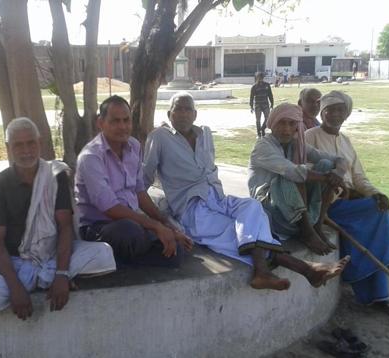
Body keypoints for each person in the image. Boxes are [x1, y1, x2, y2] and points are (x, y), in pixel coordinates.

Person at [143, 92, 350, 291]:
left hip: (218, 198)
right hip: (191, 207)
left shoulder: (204, 133)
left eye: (188, 109)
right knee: (231, 232)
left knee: (252, 206)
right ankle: (303, 269)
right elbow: (144, 177)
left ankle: (269, 272)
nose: (183, 114)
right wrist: (146, 213)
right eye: (177, 109)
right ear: (169, 114)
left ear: (195, 114)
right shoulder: (159, 137)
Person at [0, 118, 116, 320]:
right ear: (8, 147)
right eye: (18, 145)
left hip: (54, 258)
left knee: (103, 253)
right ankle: (42, 280)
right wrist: (15, 288)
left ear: (39, 143)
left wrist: (62, 273)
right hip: (17, 263)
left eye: (30, 143)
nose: (26, 150)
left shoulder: (55, 176)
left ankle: (50, 278)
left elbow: (65, 227)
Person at [305, 90, 389, 316]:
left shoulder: (345, 141)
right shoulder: (310, 136)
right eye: (330, 110)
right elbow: (306, 173)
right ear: (322, 112)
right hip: (325, 206)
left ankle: (379, 298)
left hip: (349, 205)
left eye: (340, 110)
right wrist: (343, 190)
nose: (335, 114)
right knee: (377, 213)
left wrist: (374, 192)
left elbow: (359, 177)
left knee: (378, 219)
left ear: (346, 114)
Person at [75, 95, 193, 268]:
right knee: (129, 232)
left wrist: (165, 225)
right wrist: (155, 227)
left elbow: (139, 192)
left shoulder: (134, 146)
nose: (122, 127)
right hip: (99, 227)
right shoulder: (91, 157)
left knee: (178, 249)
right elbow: (109, 207)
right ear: (100, 123)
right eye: (115, 121)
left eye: (126, 120)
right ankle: (125, 255)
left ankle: (119, 261)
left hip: (134, 221)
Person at [248, 103, 347, 256]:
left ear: (297, 126)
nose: (286, 129)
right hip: (270, 211)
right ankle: (307, 233)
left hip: (294, 212)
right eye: (282, 122)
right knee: (289, 177)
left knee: (325, 165)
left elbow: (337, 160)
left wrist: (338, 174)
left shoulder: (297, 144)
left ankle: (317, 226)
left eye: (292, 123)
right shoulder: (263, 146)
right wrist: (328, 178)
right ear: (272, 123)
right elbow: (293, 172)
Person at [249, 72, 274, 138]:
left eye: (261, 78)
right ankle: (258, 133)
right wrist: (251, 106)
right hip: (258, 105)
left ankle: (262, 129)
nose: (260, 79)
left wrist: (272, 103)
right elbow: (251, 97)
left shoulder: (267, 85)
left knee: (268, 118)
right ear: (257, 78)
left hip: (265, 104)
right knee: (258, 119)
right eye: (259, 78)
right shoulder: (254, 87)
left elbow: (270, 95)